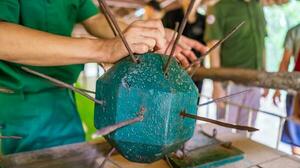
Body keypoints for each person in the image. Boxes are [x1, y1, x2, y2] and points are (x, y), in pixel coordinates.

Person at [0, 0, 206, 154]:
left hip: (61, 97)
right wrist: (105, 49)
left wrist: (145, 35)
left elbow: (95, 18)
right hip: (14, 104)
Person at [204, 0, 268, 131]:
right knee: (224, 131)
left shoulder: (258, 6)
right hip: (230, 82)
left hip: (255, 81)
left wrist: (265, 76)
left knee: (247, 131)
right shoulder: (220, 7)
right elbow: (214, 49)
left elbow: (262, 43)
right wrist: (216, 85)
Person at [162, 0, 206, 92]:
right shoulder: (170, 15)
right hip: (172, 66)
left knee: (193, 95)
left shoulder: (204, 20)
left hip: (196, 68)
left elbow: (206, 45)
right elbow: (162, 39)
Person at [273, 24, 300, 156]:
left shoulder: (294, 32)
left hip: (296, 88)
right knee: (295, 137)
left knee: (295, 135)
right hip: (296, 88)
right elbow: (285, 62)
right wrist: (278, 87)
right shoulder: (294, 32)